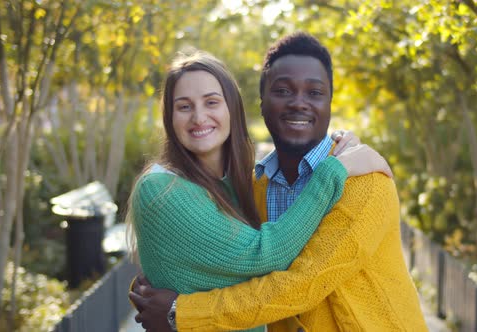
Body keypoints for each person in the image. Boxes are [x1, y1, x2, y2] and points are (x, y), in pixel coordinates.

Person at [131, 32, 428, 331]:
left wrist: (179, 312)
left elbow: (302, 284)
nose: (299, 103)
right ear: (261, 103)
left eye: (314, 93)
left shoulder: (363, 181)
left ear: (329, 103)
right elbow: (241, 270)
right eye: (283, 91)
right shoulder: (253, 186)